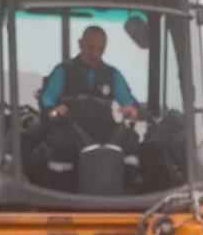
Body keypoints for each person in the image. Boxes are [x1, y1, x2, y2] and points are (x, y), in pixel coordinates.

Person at [34, 25, 144, 192]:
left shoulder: (112, 74)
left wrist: (131, 110)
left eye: (100, 49)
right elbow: (47, 98)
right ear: (80, 44)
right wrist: (54, 109)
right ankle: (60, 193)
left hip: (104, 129)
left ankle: (130, 190)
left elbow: (128, 101)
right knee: (61, 143)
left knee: (130, 139)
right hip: (70, 125)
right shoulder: (64, 71)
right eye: (91, 47)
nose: (95, 54)